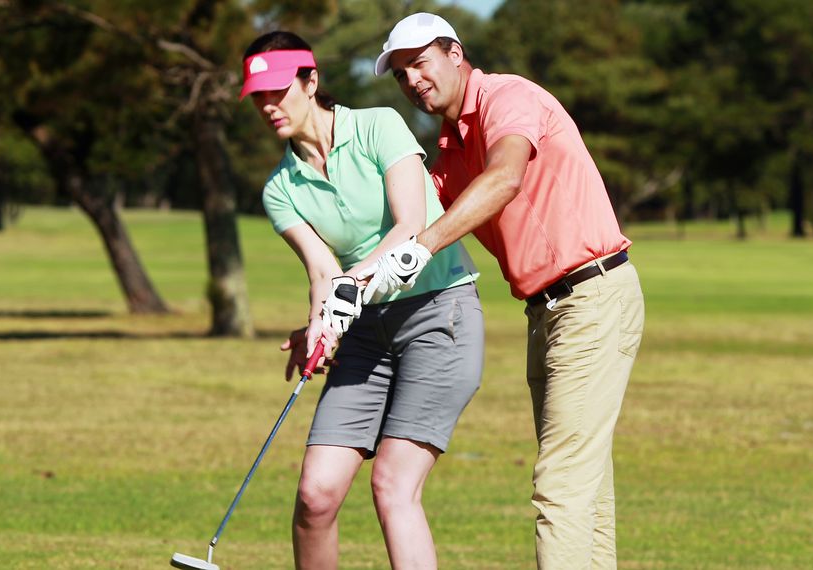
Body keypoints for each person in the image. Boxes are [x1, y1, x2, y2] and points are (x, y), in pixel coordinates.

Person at [360, 12, 646, 569]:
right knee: (585, 487)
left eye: (420, 64)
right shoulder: (449, 151)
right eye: (400, 75)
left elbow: (505, 176)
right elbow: (403, 223)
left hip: (592, 294)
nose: (413, 81)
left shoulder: (506, 97)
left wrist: (424, 247)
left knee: (560, 487)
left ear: (455, 54)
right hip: (547, 312)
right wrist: (347, 289)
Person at [240, 31, 485, 570]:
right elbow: (321, 271)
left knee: (392, 486)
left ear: (311, 81)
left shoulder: (377, 126)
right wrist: (320, 326)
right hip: (365, 333)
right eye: (258, 95)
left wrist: (351, 283)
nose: (268, 105)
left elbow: (411, 226)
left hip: (438, 315)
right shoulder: (280, 189)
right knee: (316, 496)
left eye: (279, 90)